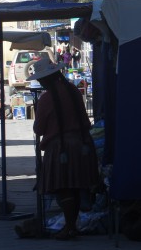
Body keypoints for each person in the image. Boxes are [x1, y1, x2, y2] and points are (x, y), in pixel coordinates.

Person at [27, 58, 98, 240]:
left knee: (64, 187)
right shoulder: (73, 90)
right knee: (75, 186)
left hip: (60, 148)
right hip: (81, 143)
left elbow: (39, 128)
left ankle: (70, 226)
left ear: (45, 79)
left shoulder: (46, 98)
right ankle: (71, 225)